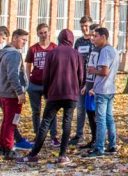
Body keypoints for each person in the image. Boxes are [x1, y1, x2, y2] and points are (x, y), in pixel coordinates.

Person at [18, 29, 84, 165]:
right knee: (67, 123)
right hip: (71, 93)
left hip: (55, 92)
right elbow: (80, 75)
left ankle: (34, 154)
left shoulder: (52, 53)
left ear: (59, 39)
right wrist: (76, 89)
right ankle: (62, 155)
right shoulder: (76, 54)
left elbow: (46, 76)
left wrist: (47, 92)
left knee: (46, 122)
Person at [84, 26, 119, 158]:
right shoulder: (114, 50)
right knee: (109, 118)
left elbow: (105, 71)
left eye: (96, 36)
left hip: (102, 89)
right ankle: (112, 145)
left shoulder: (104, 51)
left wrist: (93, 70)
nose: (94, 39)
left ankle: (99, 147)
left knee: (101, 119)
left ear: (103, 37)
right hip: (110, 89)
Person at [0, 29, 29, 159]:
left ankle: (3, 146)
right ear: (14, 38)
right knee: (12, 121)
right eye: (23, 40)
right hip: (12, 94)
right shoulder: (14, 54)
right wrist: (20, 92)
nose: (24, 43)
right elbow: (13, 75)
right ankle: (9, 148)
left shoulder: (4, 53)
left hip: (4, 92)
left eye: (26, 41)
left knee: (7, 120)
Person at [26, 23, 59, 148]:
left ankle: (54, 136)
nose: (44, 35)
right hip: (34, 83)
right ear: (37, 34)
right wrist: (27, 80)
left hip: (49, 85)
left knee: (51, 111)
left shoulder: (54, 48)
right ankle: (37, 135)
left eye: (45, 32)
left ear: (49, 32)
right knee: (36, 111)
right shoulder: (33, 49)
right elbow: (28, 65)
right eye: (41, 33)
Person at [71, 16, 96, 147]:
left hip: (92, 80)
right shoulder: (79, 42)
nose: (84, 29)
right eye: (82, 26)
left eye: (86, 26)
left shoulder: (94, 42)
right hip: (80, 79)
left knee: (92, 110)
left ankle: (96, 136)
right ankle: (79, 134)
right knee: (80, 108)